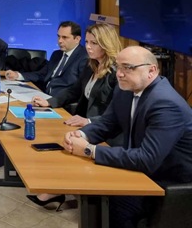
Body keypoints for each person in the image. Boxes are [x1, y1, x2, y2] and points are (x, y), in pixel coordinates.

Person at [63, 46, 192, 227]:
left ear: (151, 71)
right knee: (94, 190)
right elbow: (107, 123)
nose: (119, 74)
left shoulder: (166, 104)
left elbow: (147, 159)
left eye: (128, 68)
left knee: (110, 201)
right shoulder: (125, 89)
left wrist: (88, 150)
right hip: (142, 172)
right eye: (118, 67)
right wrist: (82, 134)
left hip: (170, 183)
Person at [27, 23, 122, 209]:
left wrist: (88, 121)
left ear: (106, 44)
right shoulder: (90, 65)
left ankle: (62, 191)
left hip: (107, 131)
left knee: (67, 143)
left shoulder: (117, 73)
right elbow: (74, 90)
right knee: (55, 138)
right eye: (87, 42)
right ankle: (57, 189)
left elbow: (118, 112)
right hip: (87, 124)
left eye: (94, 43)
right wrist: (50, 102)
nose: (88, 47)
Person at [5, 21, 88, 97]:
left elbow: (78, 89)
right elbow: (42, 74)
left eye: (64, 37)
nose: (60, 41)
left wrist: (51, 101)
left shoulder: (84, 58)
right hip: (43, 94)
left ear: (77, 39)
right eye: (58, 36)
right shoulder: (57, 54)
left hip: (60, 101)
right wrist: (18, 75)